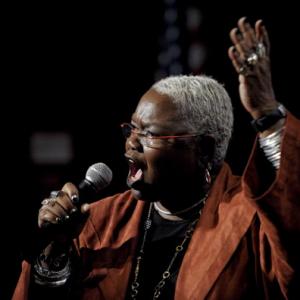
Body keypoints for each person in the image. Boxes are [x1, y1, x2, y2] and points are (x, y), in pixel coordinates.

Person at [12, 16, 300, 300]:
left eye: (149, 134)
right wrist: (56, 250)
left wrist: (267, 114)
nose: (131, 142)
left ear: (204, 149)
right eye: (131, 129)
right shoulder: (98, 222)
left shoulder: (252, 219)